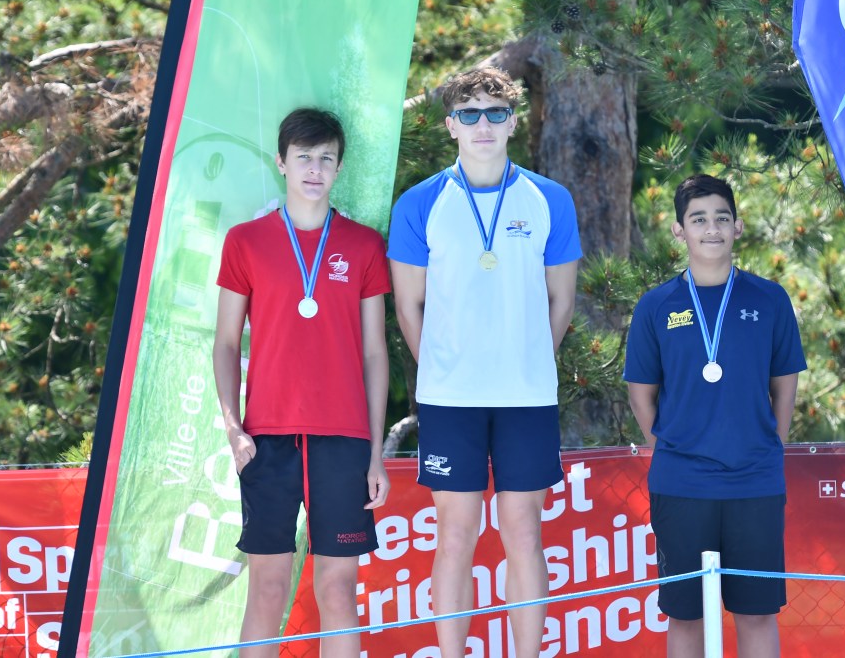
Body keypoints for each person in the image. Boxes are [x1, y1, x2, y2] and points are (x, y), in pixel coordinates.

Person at [387, 67, 581, 658]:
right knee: (455, 536)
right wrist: (444, 367)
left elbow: (562, 300)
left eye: (495, 113)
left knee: (524, 534)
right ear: (450, 125)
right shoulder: (420, 203)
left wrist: (527, 359)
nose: (483, 125)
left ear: (513, 122)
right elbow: (408, 306)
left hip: (526, 396)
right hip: (450, 399)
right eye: (468, 114)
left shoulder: (550, 199)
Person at [212, 108, 390, 658]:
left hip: (344, 440)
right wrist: (233, 427)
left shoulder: (363, 245)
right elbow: (226, 343)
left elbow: (375, 353)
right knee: (267, 589)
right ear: (282, 163)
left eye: (326, 159)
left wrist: (376, 453)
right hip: (266, 438)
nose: (315, 169)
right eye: (305, 157)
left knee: (337, 590)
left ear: (339, 168)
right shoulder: (245, 242)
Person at [623, 174, 806, 658]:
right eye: (698, 219)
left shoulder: (769, 299)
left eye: (722, 218)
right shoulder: (656, 306)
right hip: (681, 484)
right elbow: (641, 395)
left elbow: (785, 384)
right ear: (679, 231)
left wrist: (771, 445)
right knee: (686, 617)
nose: (712, 229)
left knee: (757, 614)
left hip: (754, 482)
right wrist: (671, 450)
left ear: (737, 227)